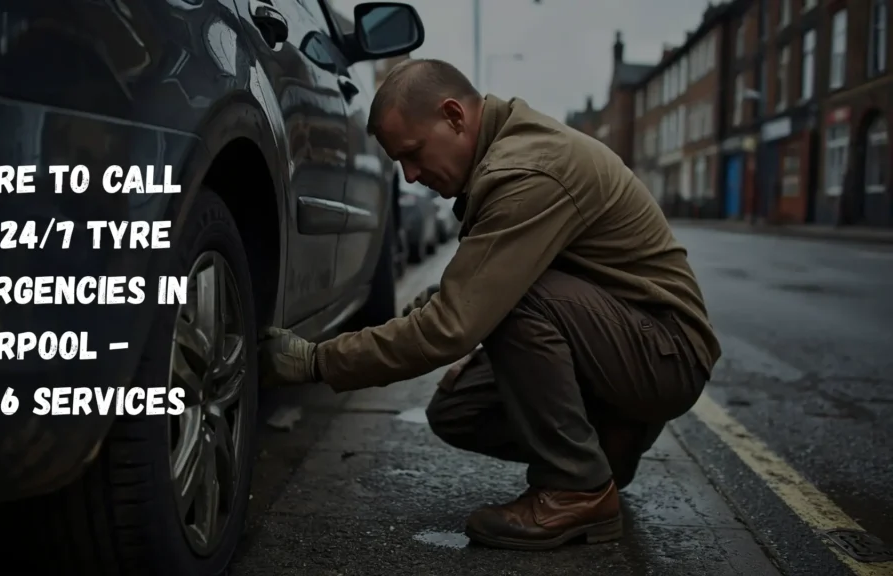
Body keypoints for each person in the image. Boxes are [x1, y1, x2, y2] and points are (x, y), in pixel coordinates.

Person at [258, 59, 721, 551]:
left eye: (413, 154)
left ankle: (576, 488)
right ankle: (609, 442)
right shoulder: (507, 152)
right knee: (458, 410)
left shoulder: (526, 170)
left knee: (513, 302)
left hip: (666, 353)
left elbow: (453, 322)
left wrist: (315, 362)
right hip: (624, 342)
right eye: (400, 163)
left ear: (455, 116)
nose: (411, 177)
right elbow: (460, 290)